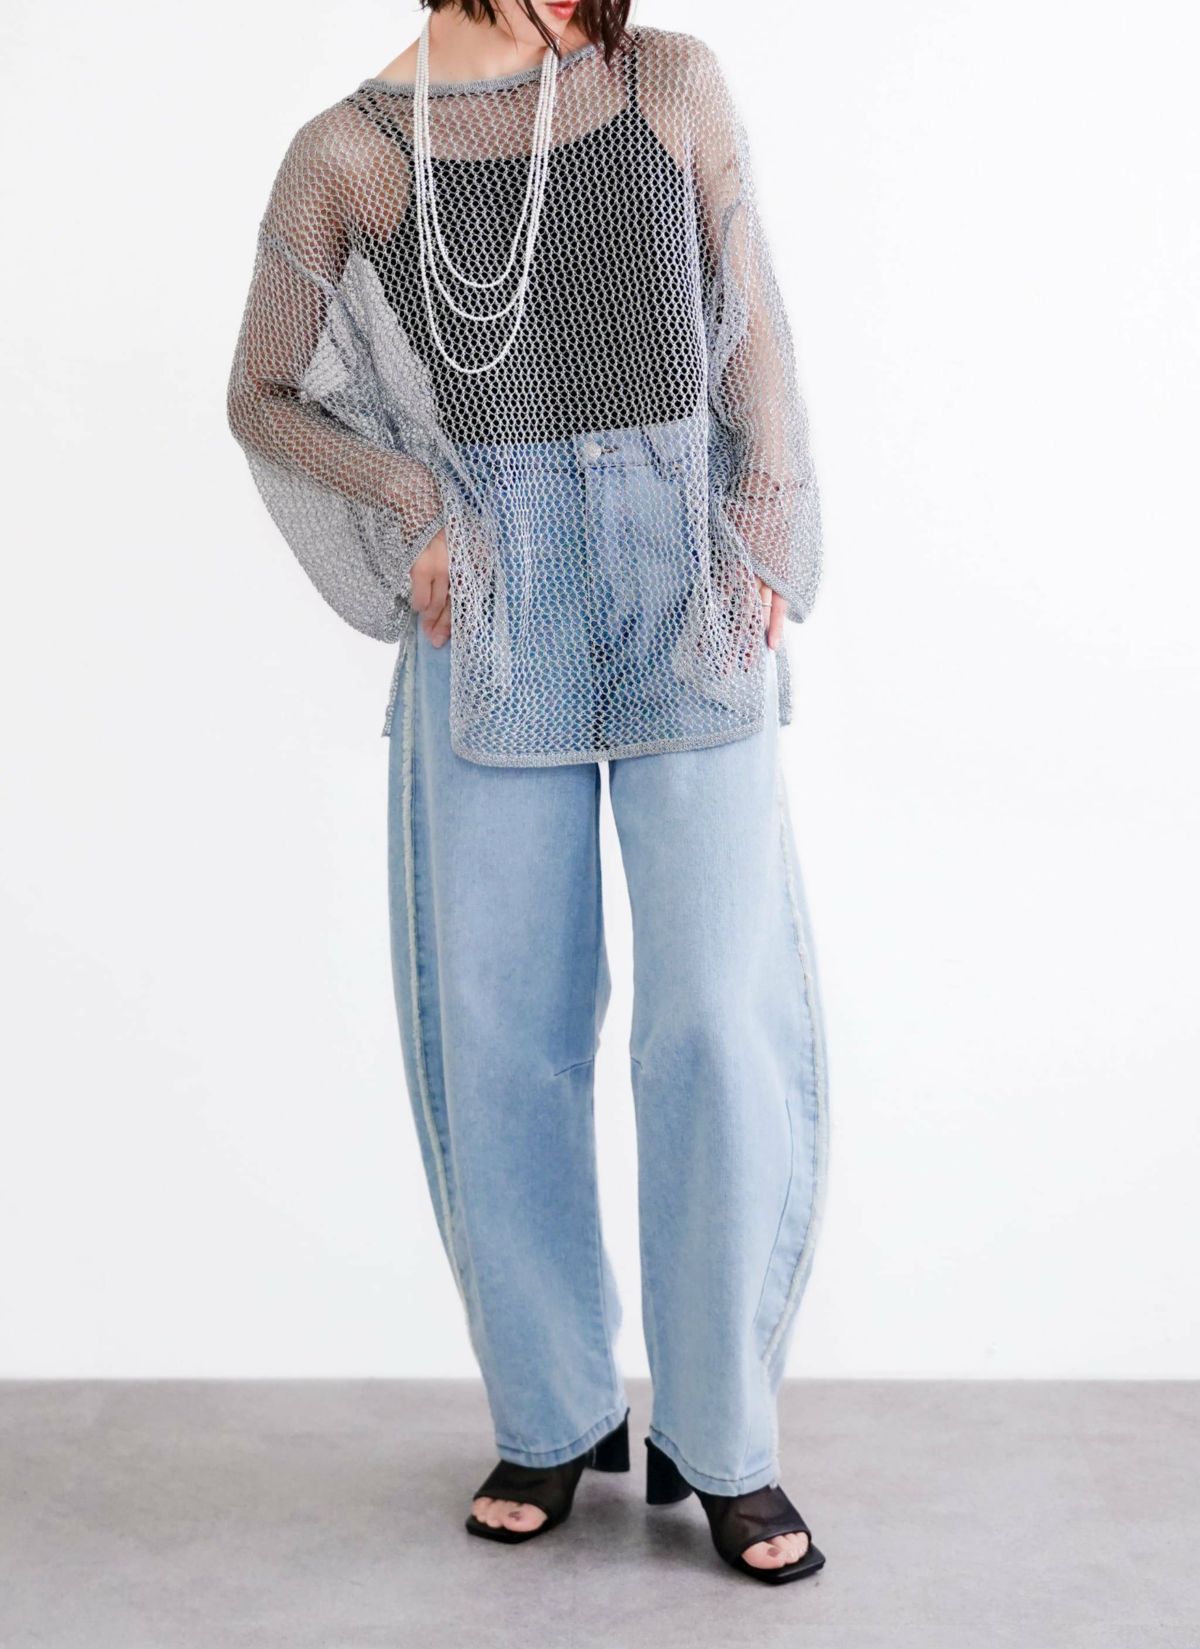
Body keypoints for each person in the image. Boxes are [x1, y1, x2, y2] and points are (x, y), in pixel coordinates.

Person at [227, 0, 830, 1585]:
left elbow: (751, 317)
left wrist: (768, 516)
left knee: (720, 1018)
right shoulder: (351, 153)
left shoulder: (666, 78)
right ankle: (554, 1409)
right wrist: (414, 507)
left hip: (687, 580)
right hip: (494, 613)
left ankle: (724, 1433)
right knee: (505, 1032)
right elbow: (263, 390)